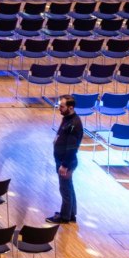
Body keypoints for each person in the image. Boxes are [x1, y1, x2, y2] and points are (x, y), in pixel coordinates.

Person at [49, 95, 83, 224]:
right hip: (63, 160)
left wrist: (64, 165)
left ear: (71, 107)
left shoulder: (74, 124)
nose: (59, 109)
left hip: (66, 162)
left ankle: (64, 217)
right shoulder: (67, 118)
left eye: (62, 106)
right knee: (68, 187)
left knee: (65, 189)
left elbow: (72, 148)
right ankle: (71, 214)